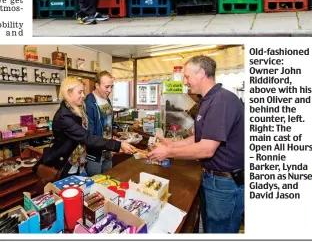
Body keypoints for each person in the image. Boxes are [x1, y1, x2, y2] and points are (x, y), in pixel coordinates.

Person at [148, 56, 244, 234]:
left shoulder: (221, 101)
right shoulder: (207, 100)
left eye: (187, 76)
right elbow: (199, 137)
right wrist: (172, 144)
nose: (185, 82)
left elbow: (207, 148)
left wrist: (168, 152)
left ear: (201, 74)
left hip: (225, 184)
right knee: (209, 229)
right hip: (212, 179)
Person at [36, 77, 135, 178]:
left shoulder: (77, 110)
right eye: (80, 92)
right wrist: (118, 145)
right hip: (67, 165)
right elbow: (87, 137)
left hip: (80, 163)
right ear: (69, 93)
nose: (83, 95)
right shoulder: (64, 116)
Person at [84, 70, 115, 176]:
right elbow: (89, 134)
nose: (110, 90)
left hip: (108, 149)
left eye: (111, 86)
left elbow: (109, 123)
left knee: (108, 177)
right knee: (95, 181)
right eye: (107, 87)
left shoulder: (107, 101)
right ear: (97, 85)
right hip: (95, 151)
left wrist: (114, 136)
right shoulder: (89, 103)